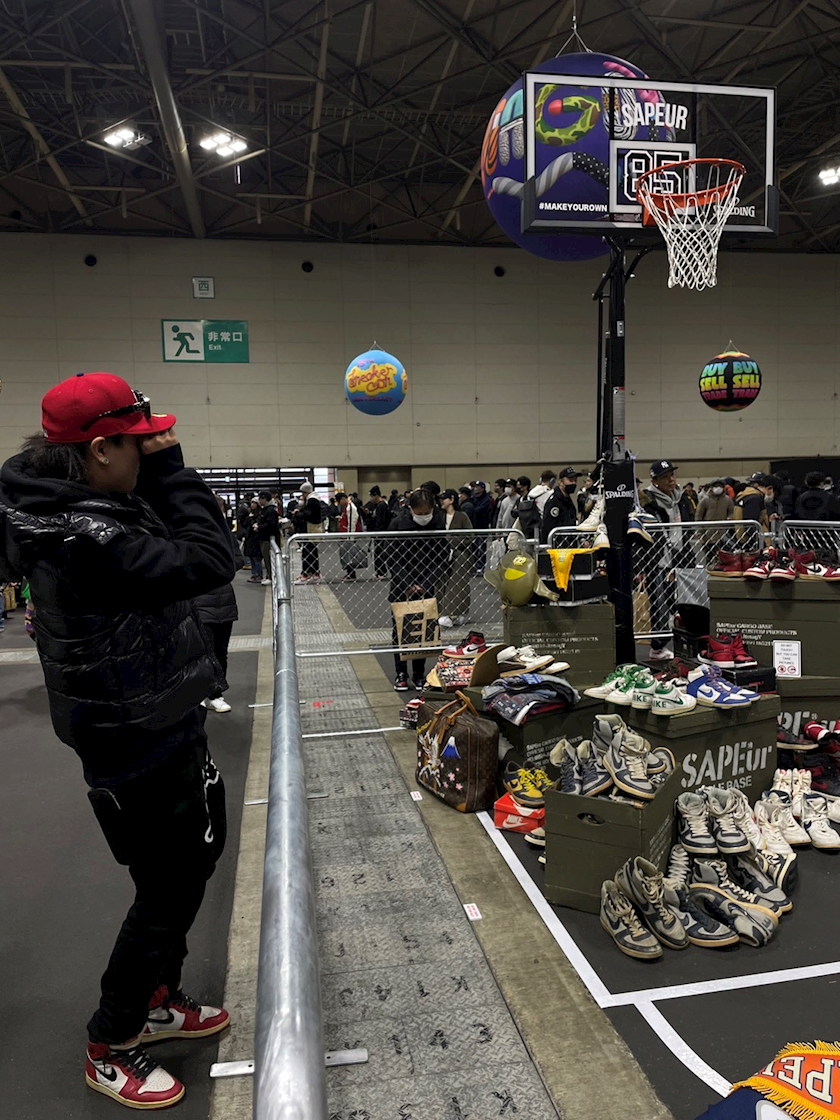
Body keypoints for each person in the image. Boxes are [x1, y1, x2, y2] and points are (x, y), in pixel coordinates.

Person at [0, 372, 236, 1109]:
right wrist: (173, 472)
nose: (152, 453)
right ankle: (111, 1038)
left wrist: (154, 473)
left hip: (156, 714)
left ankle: (157, 1000)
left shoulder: (89, 507)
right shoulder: (83, 533)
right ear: (101, 449)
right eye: (140, 443)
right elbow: (210, 559)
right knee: (167, 887)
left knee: (192, 863)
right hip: (131, 735)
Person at [387, 489, 447, 691]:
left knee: (424, 630)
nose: (423, 517)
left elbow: (442, 559)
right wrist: (408, 584)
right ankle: (401, 673)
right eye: (419, 513)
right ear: (410, 509)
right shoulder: (397, 524)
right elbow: (391, 558)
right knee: (400, 629)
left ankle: (419, 673)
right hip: (402, 585)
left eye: (427, 513)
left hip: (426, 585)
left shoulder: (437, 524)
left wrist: (426, 584)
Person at [640, 459, 694, 661]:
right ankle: (657, 647)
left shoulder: (681, 498)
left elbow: (688, 524)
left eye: (672, 475)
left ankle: (687, 644)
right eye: (665, 477)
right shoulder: (646, 502)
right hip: (657, 560)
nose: (671, 480)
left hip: (681, 556)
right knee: (659, 604)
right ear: (654, 481)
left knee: (681, 603)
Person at [437, 489, 473, 628]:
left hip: (460, 554)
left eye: (444, 498)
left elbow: (470, 536)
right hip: (443, 554)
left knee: (458, 583)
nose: (441, 501)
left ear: (452, 500)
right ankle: (442, 612)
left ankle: (456, 612)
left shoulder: (462, 516)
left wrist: (453, 542)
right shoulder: (439, 516)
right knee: (441, 583)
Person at [541, 467, 582, 543]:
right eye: (570, 480)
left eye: (575, 480)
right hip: (558, 545)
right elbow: (547, 527)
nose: (573, 483)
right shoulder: (554, 501)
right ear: (560, 482)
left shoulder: (567, 499)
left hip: (569, 544)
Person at [295, 481, 323, 584]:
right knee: (311, 552)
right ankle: (313, 573)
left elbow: (309, 514)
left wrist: (299, 513)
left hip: (310, 529)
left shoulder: (312, 501)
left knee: (308, 552)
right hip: (312, 529)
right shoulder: (314, 500)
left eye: (303, 493)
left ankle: (306, 574)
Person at [256, 490, 280, 586]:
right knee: (266, 558)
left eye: (260, 498)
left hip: (268, 538)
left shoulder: (270, 510)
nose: (259, 501)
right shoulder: (266, 509)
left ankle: (271, 576)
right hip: (264, 537)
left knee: (269, 558)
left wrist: (259, 527)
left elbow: (271, 525)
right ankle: (269, 576)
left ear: (264, 499)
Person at [367, 486, 391, 579]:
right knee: (378, 553)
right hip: (380, 533)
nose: (371, 499)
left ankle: (382, 572)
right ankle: (380, 571)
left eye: (372, 496)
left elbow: (381, 521)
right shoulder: (379, 506)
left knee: (379, 553)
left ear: (376, 495)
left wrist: (377, 532)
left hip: (381, 534)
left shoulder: (381, 506)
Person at [337, 491, 362, 581]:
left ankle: (351, 574)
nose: (339, 504)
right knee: (347, 555)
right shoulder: (347, 507)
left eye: (339, 502)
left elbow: (352, 522)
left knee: (349, 555)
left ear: (343, 499)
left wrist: (350, 537)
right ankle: (350, 573)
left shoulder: (350, 508)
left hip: (349, 536)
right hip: (346, 535)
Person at [244, 498, 263, 581]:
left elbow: (255, 524)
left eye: (254, 503)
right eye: (251, 503)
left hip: (256, 538)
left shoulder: (259, 514)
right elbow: (245, 524)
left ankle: (258, 574)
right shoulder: (250, 514)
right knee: (251, 557)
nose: (252, 505)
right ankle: (254, 573)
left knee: (256, 558)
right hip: (249, 538)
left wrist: (251, 519)